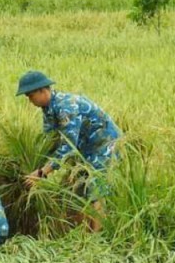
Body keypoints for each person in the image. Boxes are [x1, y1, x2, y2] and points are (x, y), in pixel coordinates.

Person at [16, 70, 122, 232]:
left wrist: (43, 172)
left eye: (30, 96)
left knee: (96, 191)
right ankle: (82, 235)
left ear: (43, 91)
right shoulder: (49, 109)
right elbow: (50, 141)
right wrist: (36, 166)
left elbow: (67, 146)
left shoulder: (66, 106)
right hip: (84, 150)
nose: (29, 101)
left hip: (103, 147)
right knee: (77, 191)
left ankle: (97, 239)